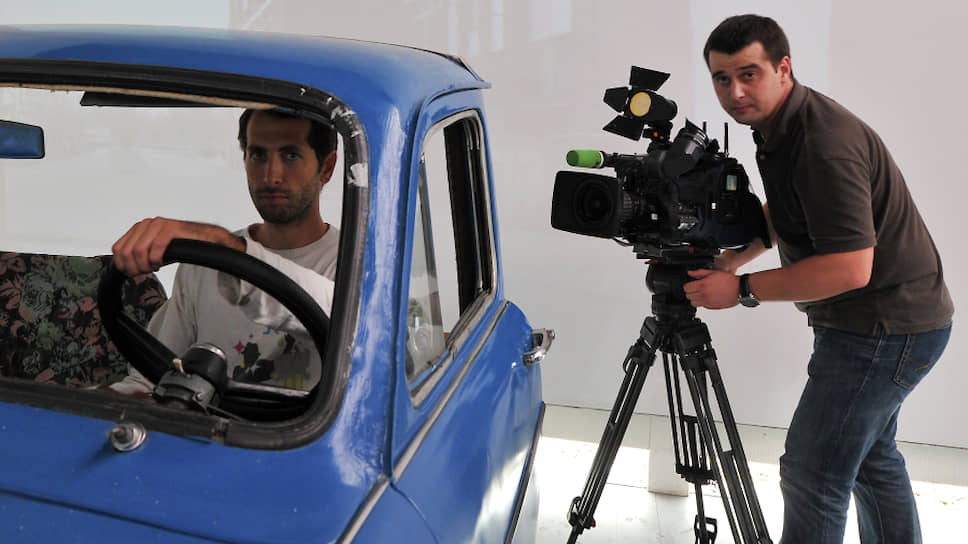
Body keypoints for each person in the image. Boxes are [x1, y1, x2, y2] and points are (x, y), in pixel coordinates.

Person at [685, 14, 954, 544]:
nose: (735, 92)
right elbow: (794, 210)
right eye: (722, 79)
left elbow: (850, 267)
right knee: (872, 459)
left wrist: (742, 290)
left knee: (813, 474)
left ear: (783, 68)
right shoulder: (784, 127)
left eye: (749, 74)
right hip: (899, 322)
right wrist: (736, 258)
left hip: (882, 329)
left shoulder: (821, 142)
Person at [107, 108, 340, 396]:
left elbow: (340, 315)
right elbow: (149, 382)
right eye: (258, 155)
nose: (271, 176)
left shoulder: (357, 267)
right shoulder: (203, 264)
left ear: (326, 168)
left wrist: (222, 244)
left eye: (290, 155)